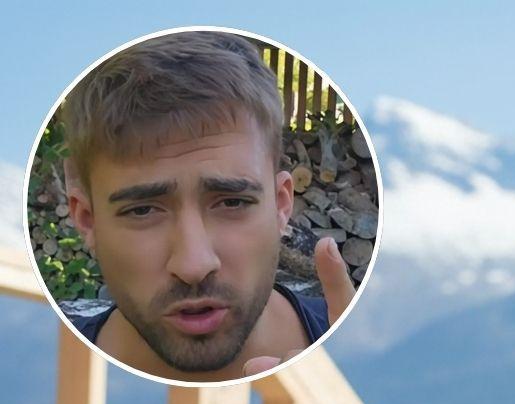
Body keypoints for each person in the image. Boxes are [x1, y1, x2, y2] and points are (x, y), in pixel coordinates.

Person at [59, 30, 351, 382]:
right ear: (87, 220)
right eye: (143, 210)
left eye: (231, 201)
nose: (193, 265)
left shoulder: (359, 357)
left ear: (281, 204)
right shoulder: (36, 384)